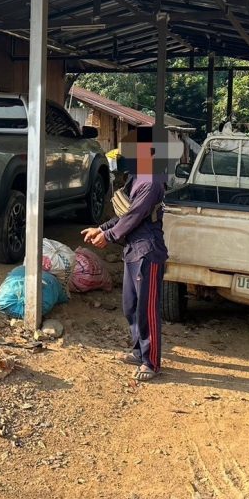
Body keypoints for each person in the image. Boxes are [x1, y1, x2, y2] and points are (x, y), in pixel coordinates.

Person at [82, 126, 169, 381]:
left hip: (147, 251)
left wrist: (107, 236)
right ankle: (139, 352)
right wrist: (101, 228)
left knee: (147, 310)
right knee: (131, 306)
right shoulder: (137, 177)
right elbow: (124, 213)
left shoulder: (151, 182)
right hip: (133, 250)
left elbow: (133, 217)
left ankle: (151, 362)